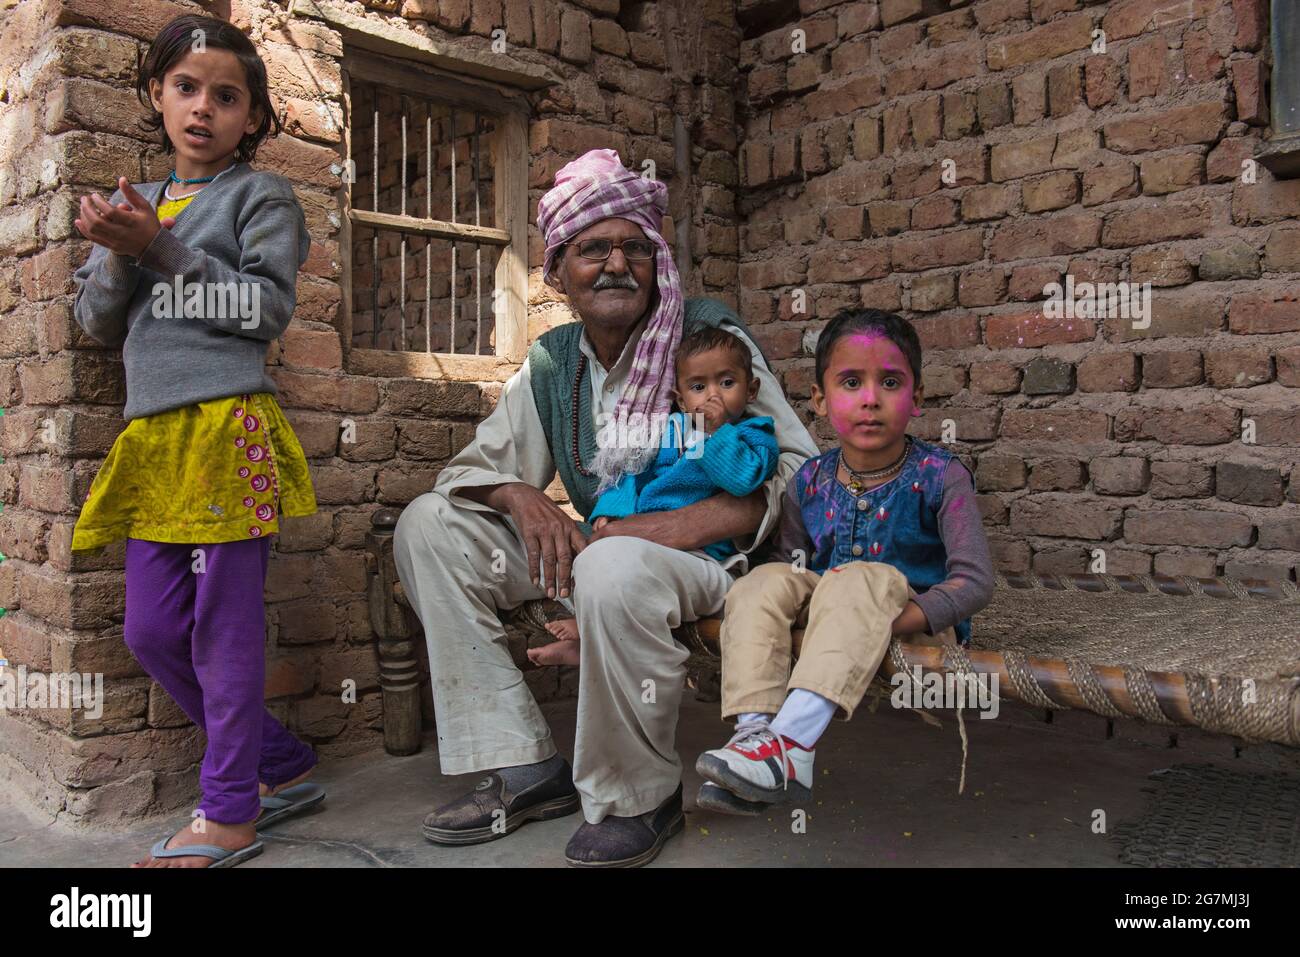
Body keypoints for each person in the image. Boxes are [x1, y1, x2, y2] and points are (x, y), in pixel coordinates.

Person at [394, 148, 819, 867]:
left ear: (657, 263)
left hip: (714, 564)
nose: (616, 263)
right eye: (593, 248)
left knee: (617, 563)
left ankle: (636, 795)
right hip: (602, 554)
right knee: (428, 525)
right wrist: (518, 492)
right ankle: (524, 764)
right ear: (559, 273)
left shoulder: (709, 337)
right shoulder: (554, 361)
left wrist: (658, 530)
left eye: (634, 247)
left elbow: (798, 470)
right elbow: (473, 469)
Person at [70, 14, 324, 867]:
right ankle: (279, 763)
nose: (203, 108)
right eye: (186, 88)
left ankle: (229, 812)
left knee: (223, 629)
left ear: (251, 117)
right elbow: (99, 325)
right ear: (157, 95)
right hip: (154, 442)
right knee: (149, 627)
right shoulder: (137, 202)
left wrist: (162, 248)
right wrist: (119, 251)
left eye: (226, 95)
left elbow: (264, 312)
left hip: (226, 433)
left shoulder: (261, 198)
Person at [694, 308, 995, 815]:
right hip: (834, 613)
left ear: (917, 398)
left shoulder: (942, 476)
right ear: (820, 399)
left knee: (858, 581)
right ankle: (756, 735)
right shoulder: (808, 480)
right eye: (851, 382)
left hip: (913, 619)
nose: (871, 399)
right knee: (761, 582)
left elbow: (975, 582)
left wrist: (894, 620)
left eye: (891, 382)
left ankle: (791, 744)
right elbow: (795, 566)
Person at [527, 325, 781, 668]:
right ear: (679, 398)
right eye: (698, 387)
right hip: (644, 539)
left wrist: (716, 433)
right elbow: (633, 472)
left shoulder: (755, 435)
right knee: (593, 559)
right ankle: (589, 635)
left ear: (751, 390)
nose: (712, 396)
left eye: (726, 382)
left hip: (703, 557)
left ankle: (589, 638)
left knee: (624, 571)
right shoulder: (668, 431)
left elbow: (741, 479)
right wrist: (613, 513)